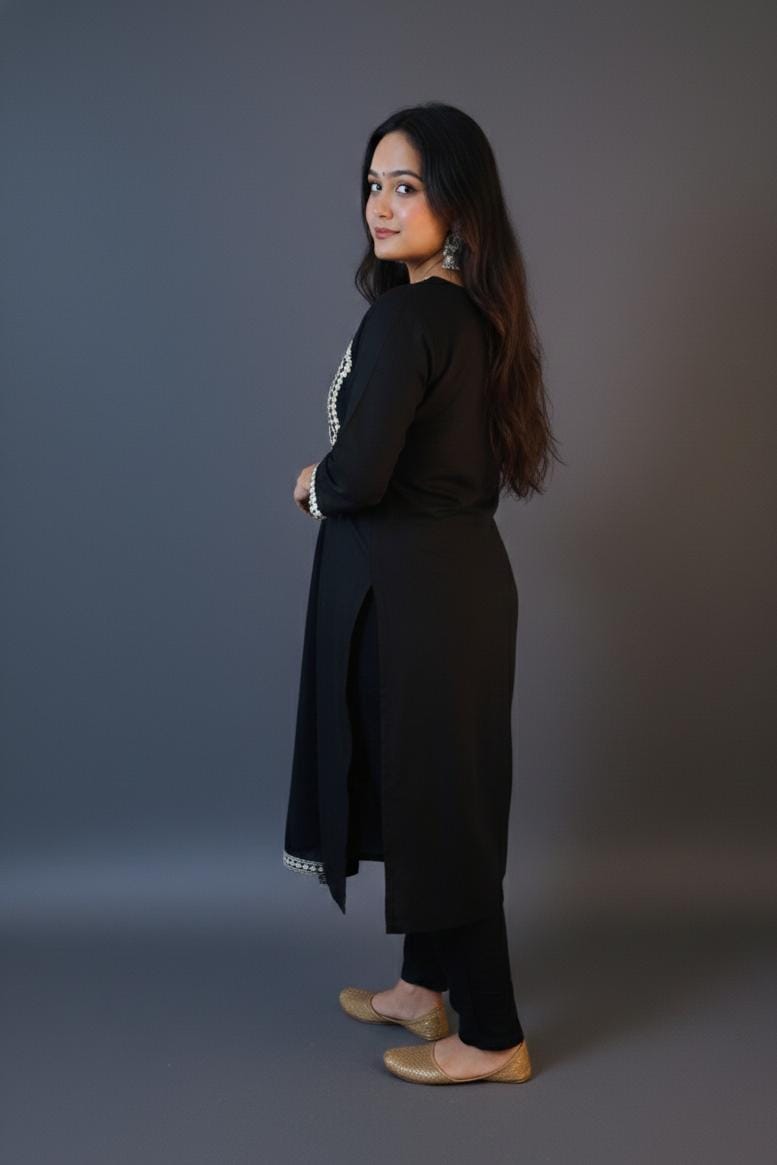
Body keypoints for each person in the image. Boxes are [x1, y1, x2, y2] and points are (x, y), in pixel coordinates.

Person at [284, 102, 561, 1085]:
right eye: (373, 185)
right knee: (435, 786)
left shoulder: (406, 318)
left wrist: (315, 482)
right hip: (458, 588)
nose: (381, 205)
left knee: (442, 805)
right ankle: (422, 984)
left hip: (417, 603)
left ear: (458, 204)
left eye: (406, 186)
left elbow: (360, 475)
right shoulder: (473, 315)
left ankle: (492, 1034)